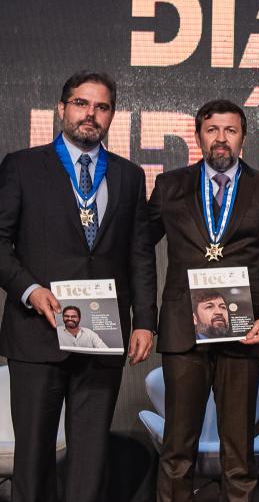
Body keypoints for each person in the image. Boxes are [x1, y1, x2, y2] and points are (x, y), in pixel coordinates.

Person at [0, 70, 156, 502]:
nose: (91, 114)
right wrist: (30, 290)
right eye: (81, 103)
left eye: (102, 107)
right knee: (33, 458)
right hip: (37, 332)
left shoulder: (128, 175)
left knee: (90, 458)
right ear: (61, 108)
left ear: (111, 115)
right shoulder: (22, 166)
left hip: (102, 335)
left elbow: (140, 255)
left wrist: (145, 321)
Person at [148, 99, 259, 502]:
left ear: (243, 137)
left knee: (239, 453)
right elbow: (139, 247)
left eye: (230, 130)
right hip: (182, 327)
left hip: (243, 329)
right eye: (212, 130)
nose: (221, 138)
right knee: (177, 449)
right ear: (198, 136)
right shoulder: (170, 186)